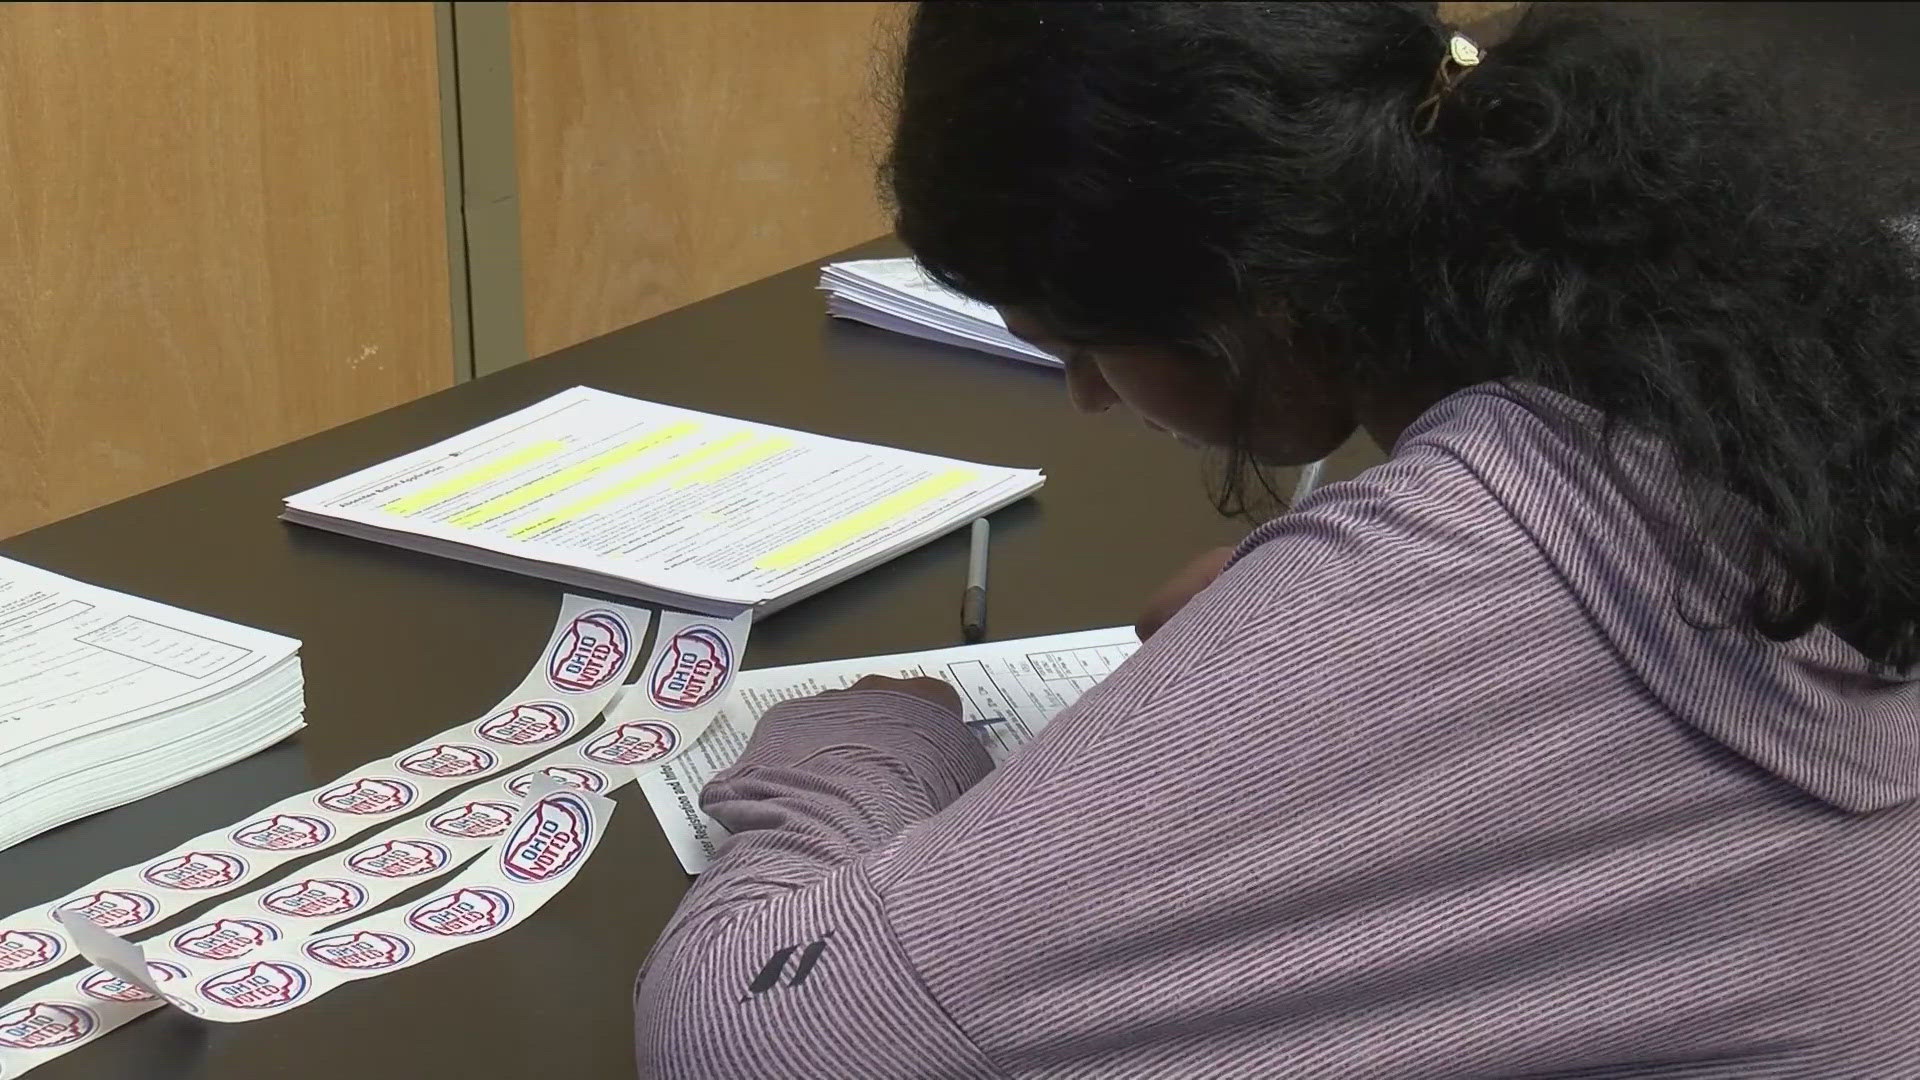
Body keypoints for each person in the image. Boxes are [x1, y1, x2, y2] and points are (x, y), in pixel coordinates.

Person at [635, 2, 1920, 1075]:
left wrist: (864, 745)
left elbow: (767, 1034)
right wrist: (1330, 624)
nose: (1089, 397)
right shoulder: (1766, 393)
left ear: (1250, 295)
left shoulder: (1449, 583)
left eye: (1083, 347)